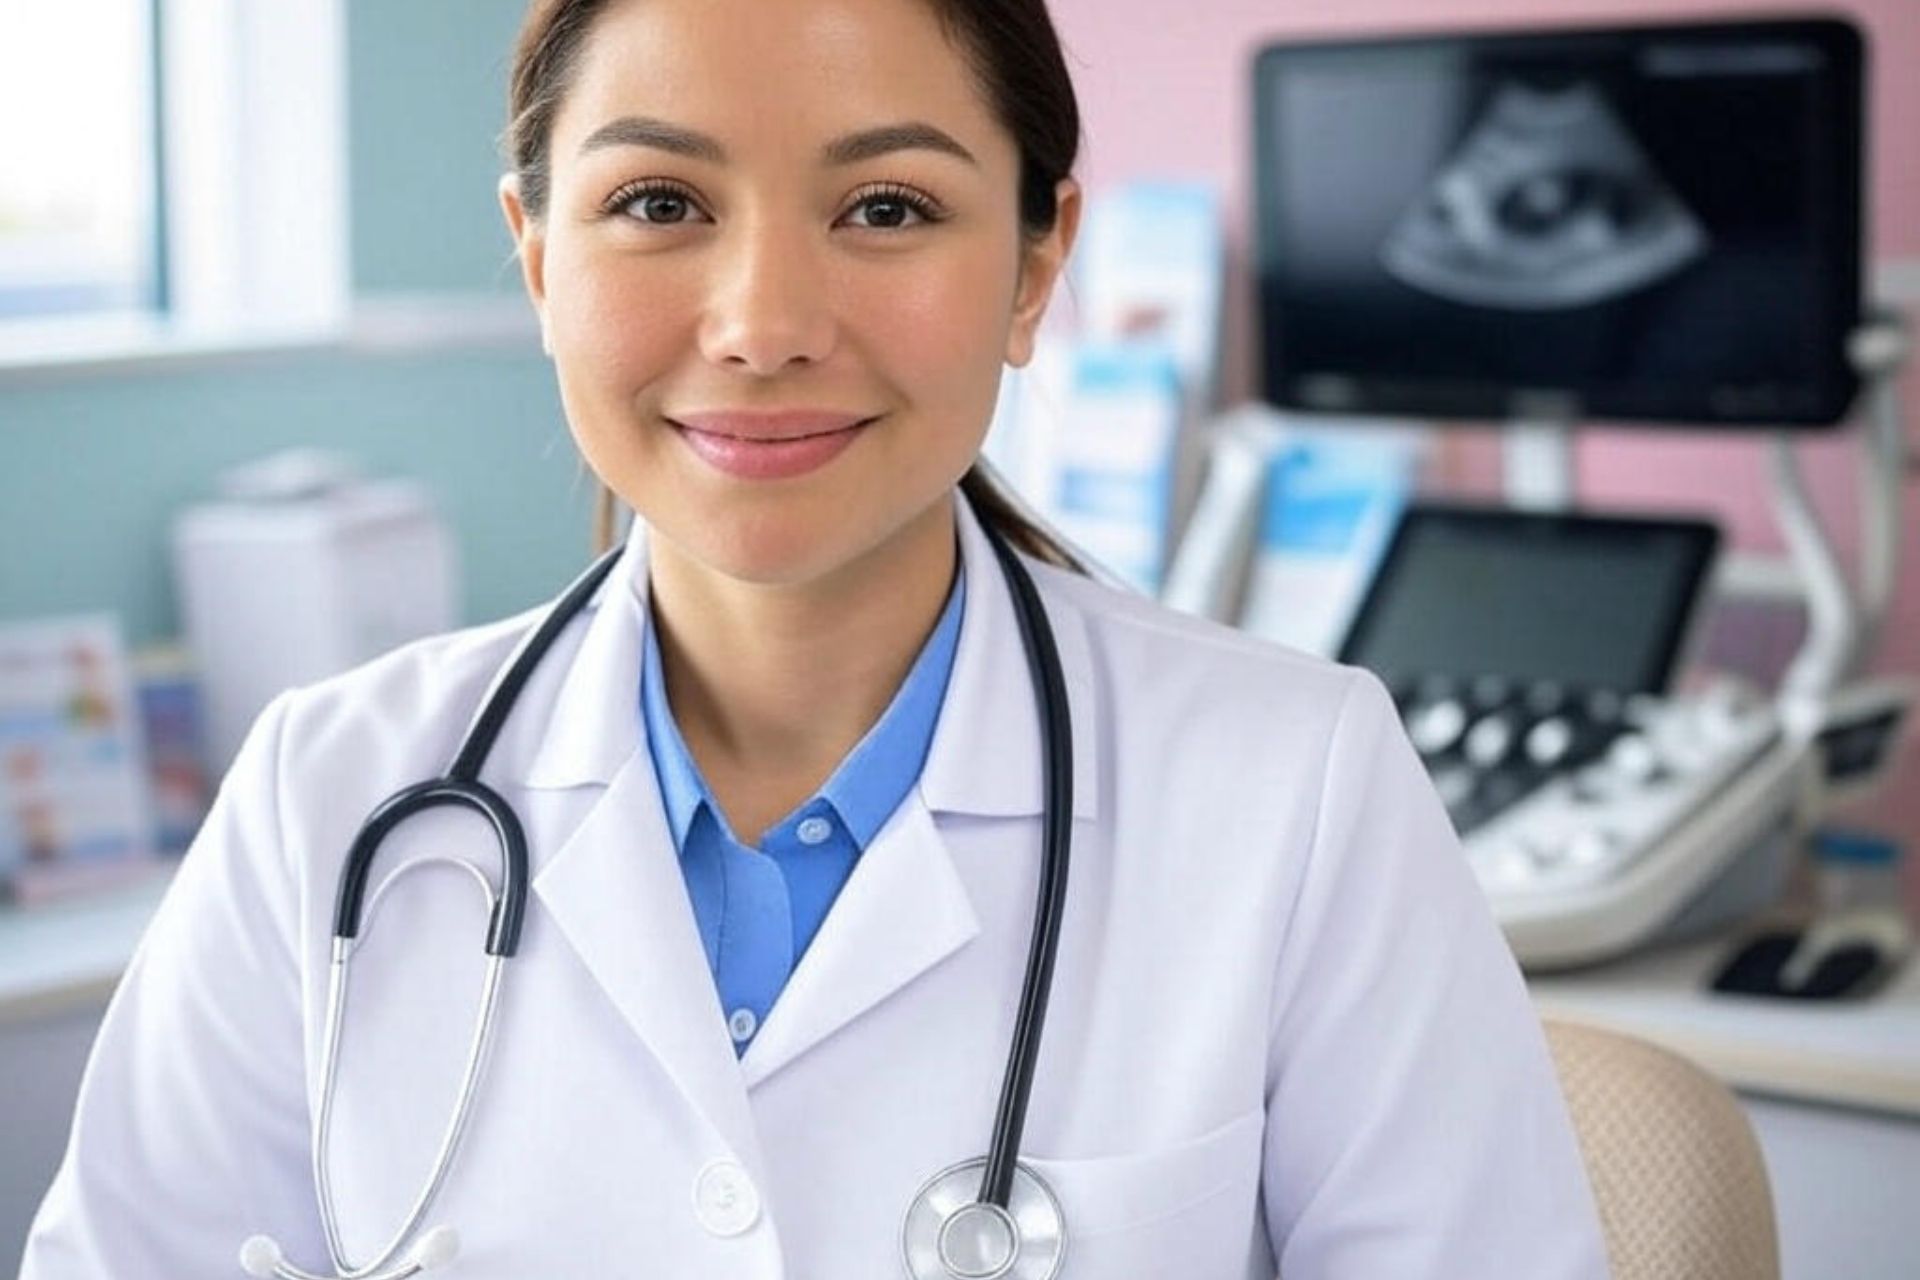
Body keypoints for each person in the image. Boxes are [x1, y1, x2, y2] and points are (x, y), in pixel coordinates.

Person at [20, 0, 1609, 1275]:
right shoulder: (329, 792)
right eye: (657, 202)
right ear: (536, 255)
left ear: (1037, 261)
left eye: (886, 206)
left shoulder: (1297, 787)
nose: (765, 322)